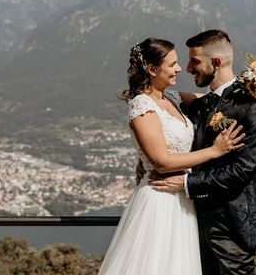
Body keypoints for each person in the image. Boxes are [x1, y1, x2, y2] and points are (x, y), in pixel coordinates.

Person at [98, 37, 246, 275]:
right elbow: (162, 161)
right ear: (152, 69)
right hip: (160, 199)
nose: (180, 69)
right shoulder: (141, 106)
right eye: (172, 64)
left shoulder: (173, 99)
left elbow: (217, 98)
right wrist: (214, 151)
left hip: (182, 199)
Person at [151, 30, 256, 275]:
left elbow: (241, 171)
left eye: (195, 61)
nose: (187, 68)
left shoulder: (251, 107)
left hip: (231, 225)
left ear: (216, 63)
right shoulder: (203, 103)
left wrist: (185, 183)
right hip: (193, 221)